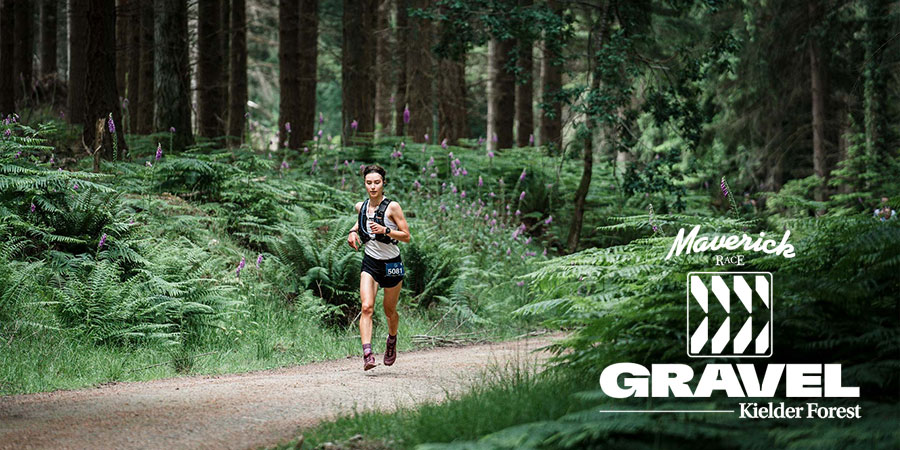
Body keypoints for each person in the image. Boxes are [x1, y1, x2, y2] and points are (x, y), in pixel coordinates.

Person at [347, 164, 411, 371]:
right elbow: (361, 221)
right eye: (369, 183)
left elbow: (407, 236)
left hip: (392, 264)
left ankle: (392, 340)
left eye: (377, 182)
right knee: (366, 307)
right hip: (371, 263)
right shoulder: (361, 206)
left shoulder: (393, 207)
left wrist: (386, 230)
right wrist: (352, 231)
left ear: (383, 183)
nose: (373, 187)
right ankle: (367, 355)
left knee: (389, 311)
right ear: (364, 184)